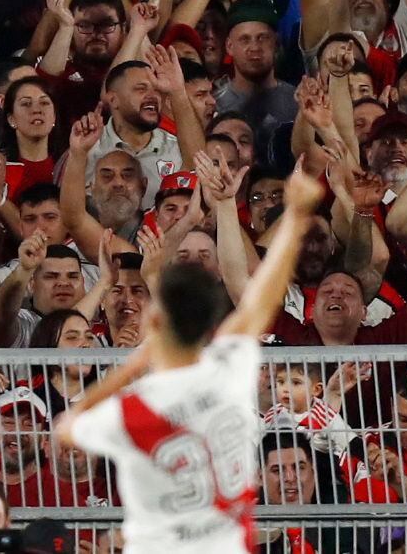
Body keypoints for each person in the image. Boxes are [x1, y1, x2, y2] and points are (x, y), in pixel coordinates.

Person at [57, 166, 328, 552]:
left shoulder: (135, 408)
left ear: (153, 318)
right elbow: (259, 303)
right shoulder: (230, 371)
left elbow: (68, 427)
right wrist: (296, 216)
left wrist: (133, 364)